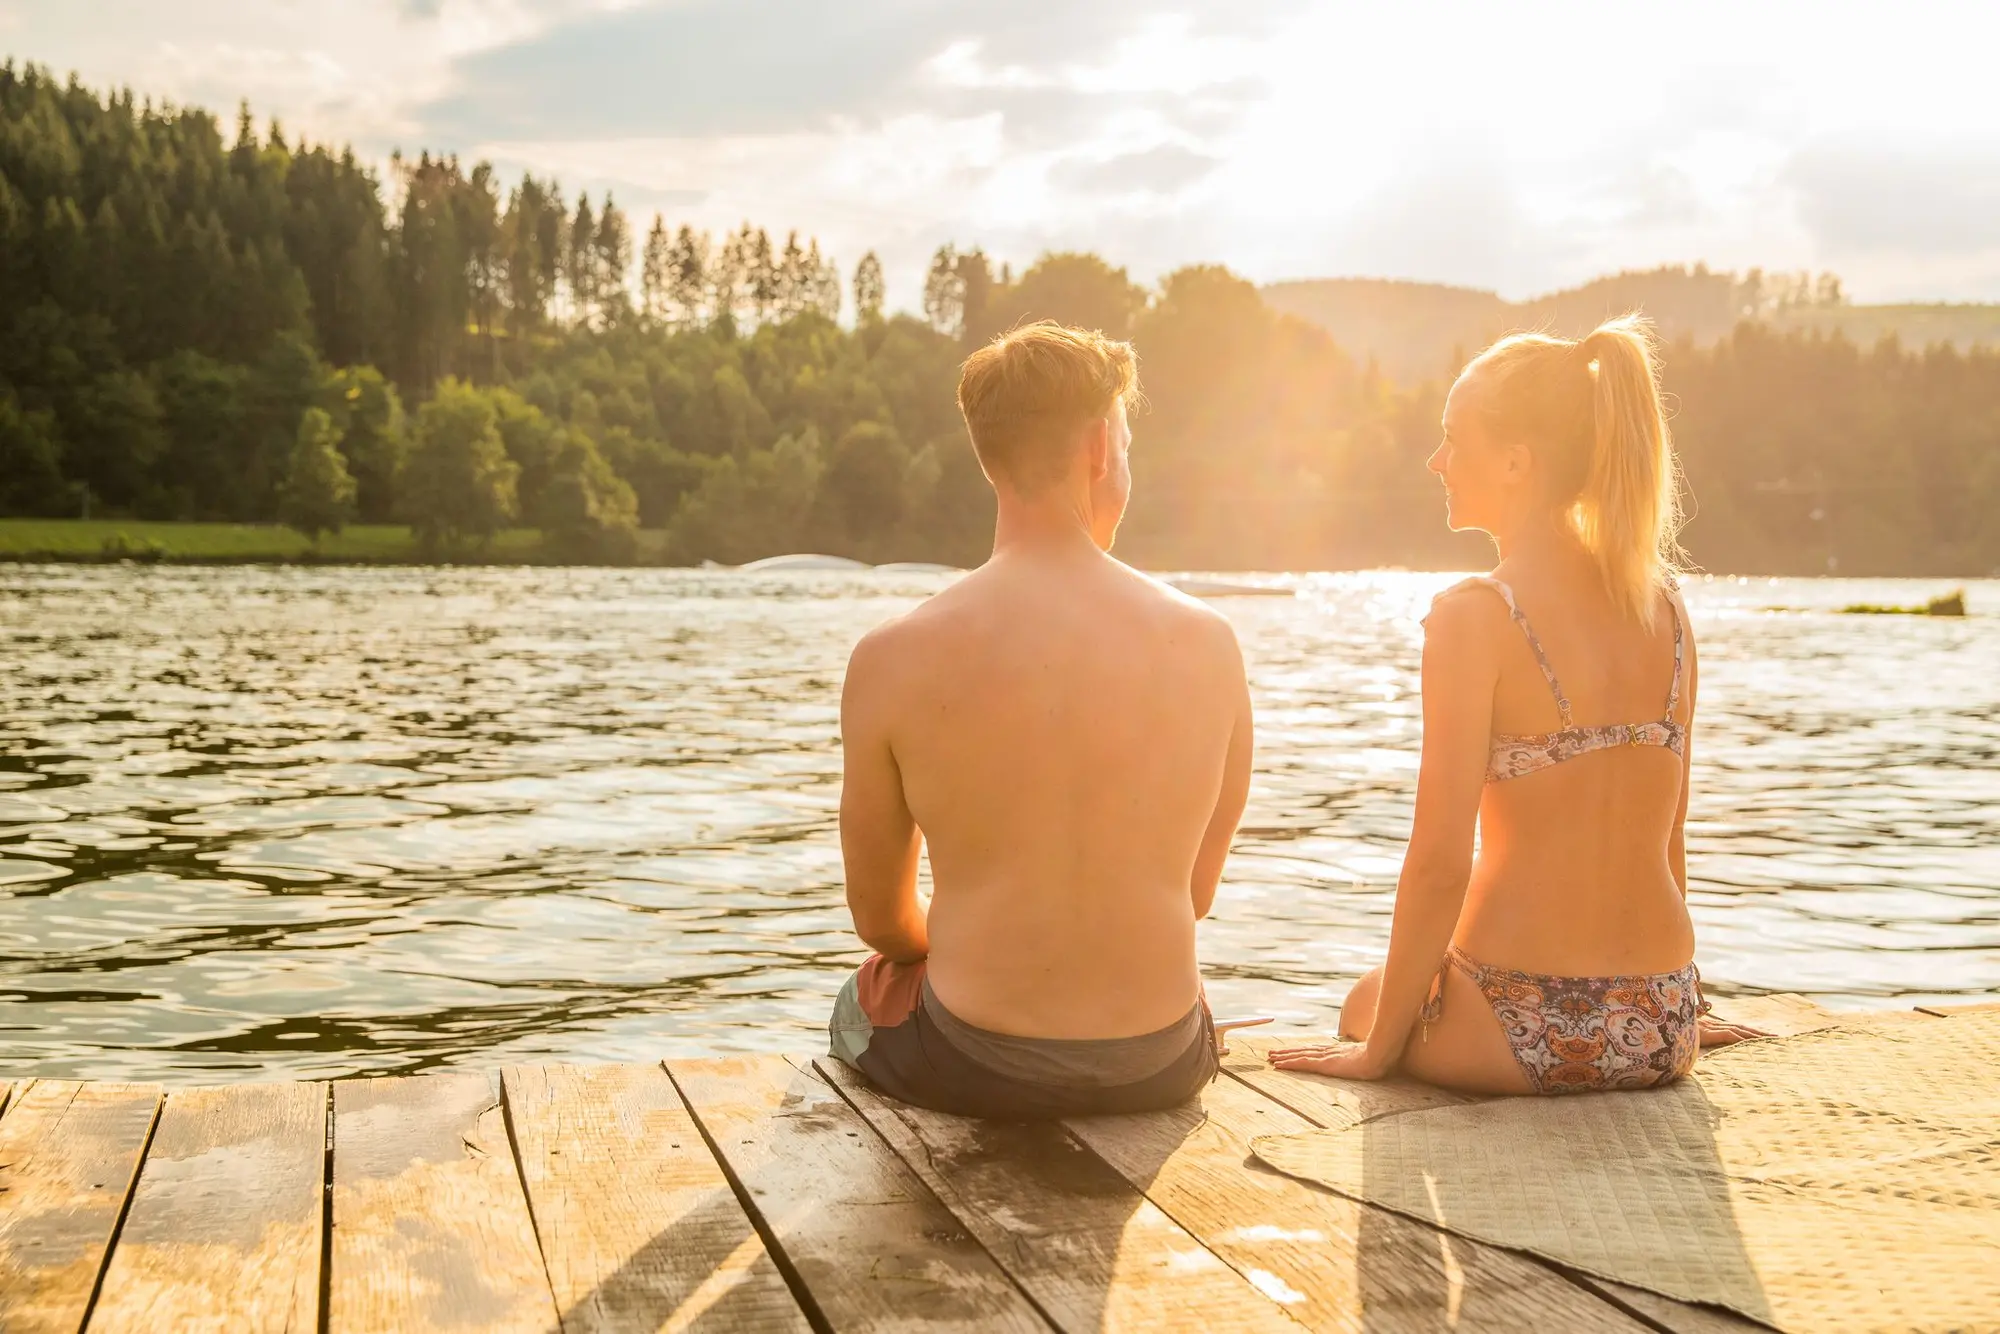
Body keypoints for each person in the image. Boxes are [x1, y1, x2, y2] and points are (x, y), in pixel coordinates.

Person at [1272, 315, 1760, 1096]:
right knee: (1399, 987)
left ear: (1514, 461)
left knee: (1366, 1001)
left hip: (1523, 1026)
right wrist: (1682, 1001)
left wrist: (1377, 1048)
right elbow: (1668, 836)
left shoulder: (1476, 614)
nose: (1437, 462)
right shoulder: (1663, 607)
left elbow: (1437, 862)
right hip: (1665, 1022)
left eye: (1453, 439)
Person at [828, 320, 1254, 1120]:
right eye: (1126, 447)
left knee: (866, 993)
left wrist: (971, 951)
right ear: (1099, 448)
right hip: (1160, 1059)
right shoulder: (1210, 642)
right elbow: (1193, 895)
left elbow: (881, 922)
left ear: (989, 458)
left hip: (971, 1061)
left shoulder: (890, 656)